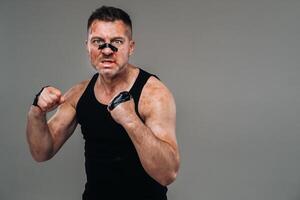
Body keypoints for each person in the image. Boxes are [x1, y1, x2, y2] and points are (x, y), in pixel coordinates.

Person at [26, 6, 180, 200]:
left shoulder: (154, 94)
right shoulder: (78, 94)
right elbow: (41, 152)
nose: (107, 50)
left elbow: (168, 174)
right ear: (87, 46)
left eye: (116, 42)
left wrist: (131, 120)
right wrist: (37, 111)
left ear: (130, 47)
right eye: (98, 42)